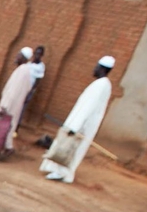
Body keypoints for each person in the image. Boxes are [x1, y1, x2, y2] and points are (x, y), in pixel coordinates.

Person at [41, 55, 115, 183]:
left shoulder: (101, 85)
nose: (94, 69)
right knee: (69, 147)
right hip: (81, 123)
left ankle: (61, 173)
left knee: (70, 148)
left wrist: (75, 127)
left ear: (102, 68)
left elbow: (88, 107)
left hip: (82, 125)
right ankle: (59, 171)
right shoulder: (102, 84)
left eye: (96, 67)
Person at [0, 51, 35, 159]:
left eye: (19, 56)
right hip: (15, 104)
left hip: (10, 105)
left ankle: (8, 148)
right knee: (7, 126)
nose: (16, 57)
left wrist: (5, 106)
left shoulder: (22, 71)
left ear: (24, 58)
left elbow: (13, 90)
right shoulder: (26, 71)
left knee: (6, 126)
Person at [19, 45, 46, 130]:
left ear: (42, 55)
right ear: (34, 53)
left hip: (28, 90)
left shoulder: (41, 66)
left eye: (40, 54)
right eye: (36, 53)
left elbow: (38, 80)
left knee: (21, 109)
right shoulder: (29, 64)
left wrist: (31, 90)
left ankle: (16, 128)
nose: (37, 55)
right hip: (21, 87)